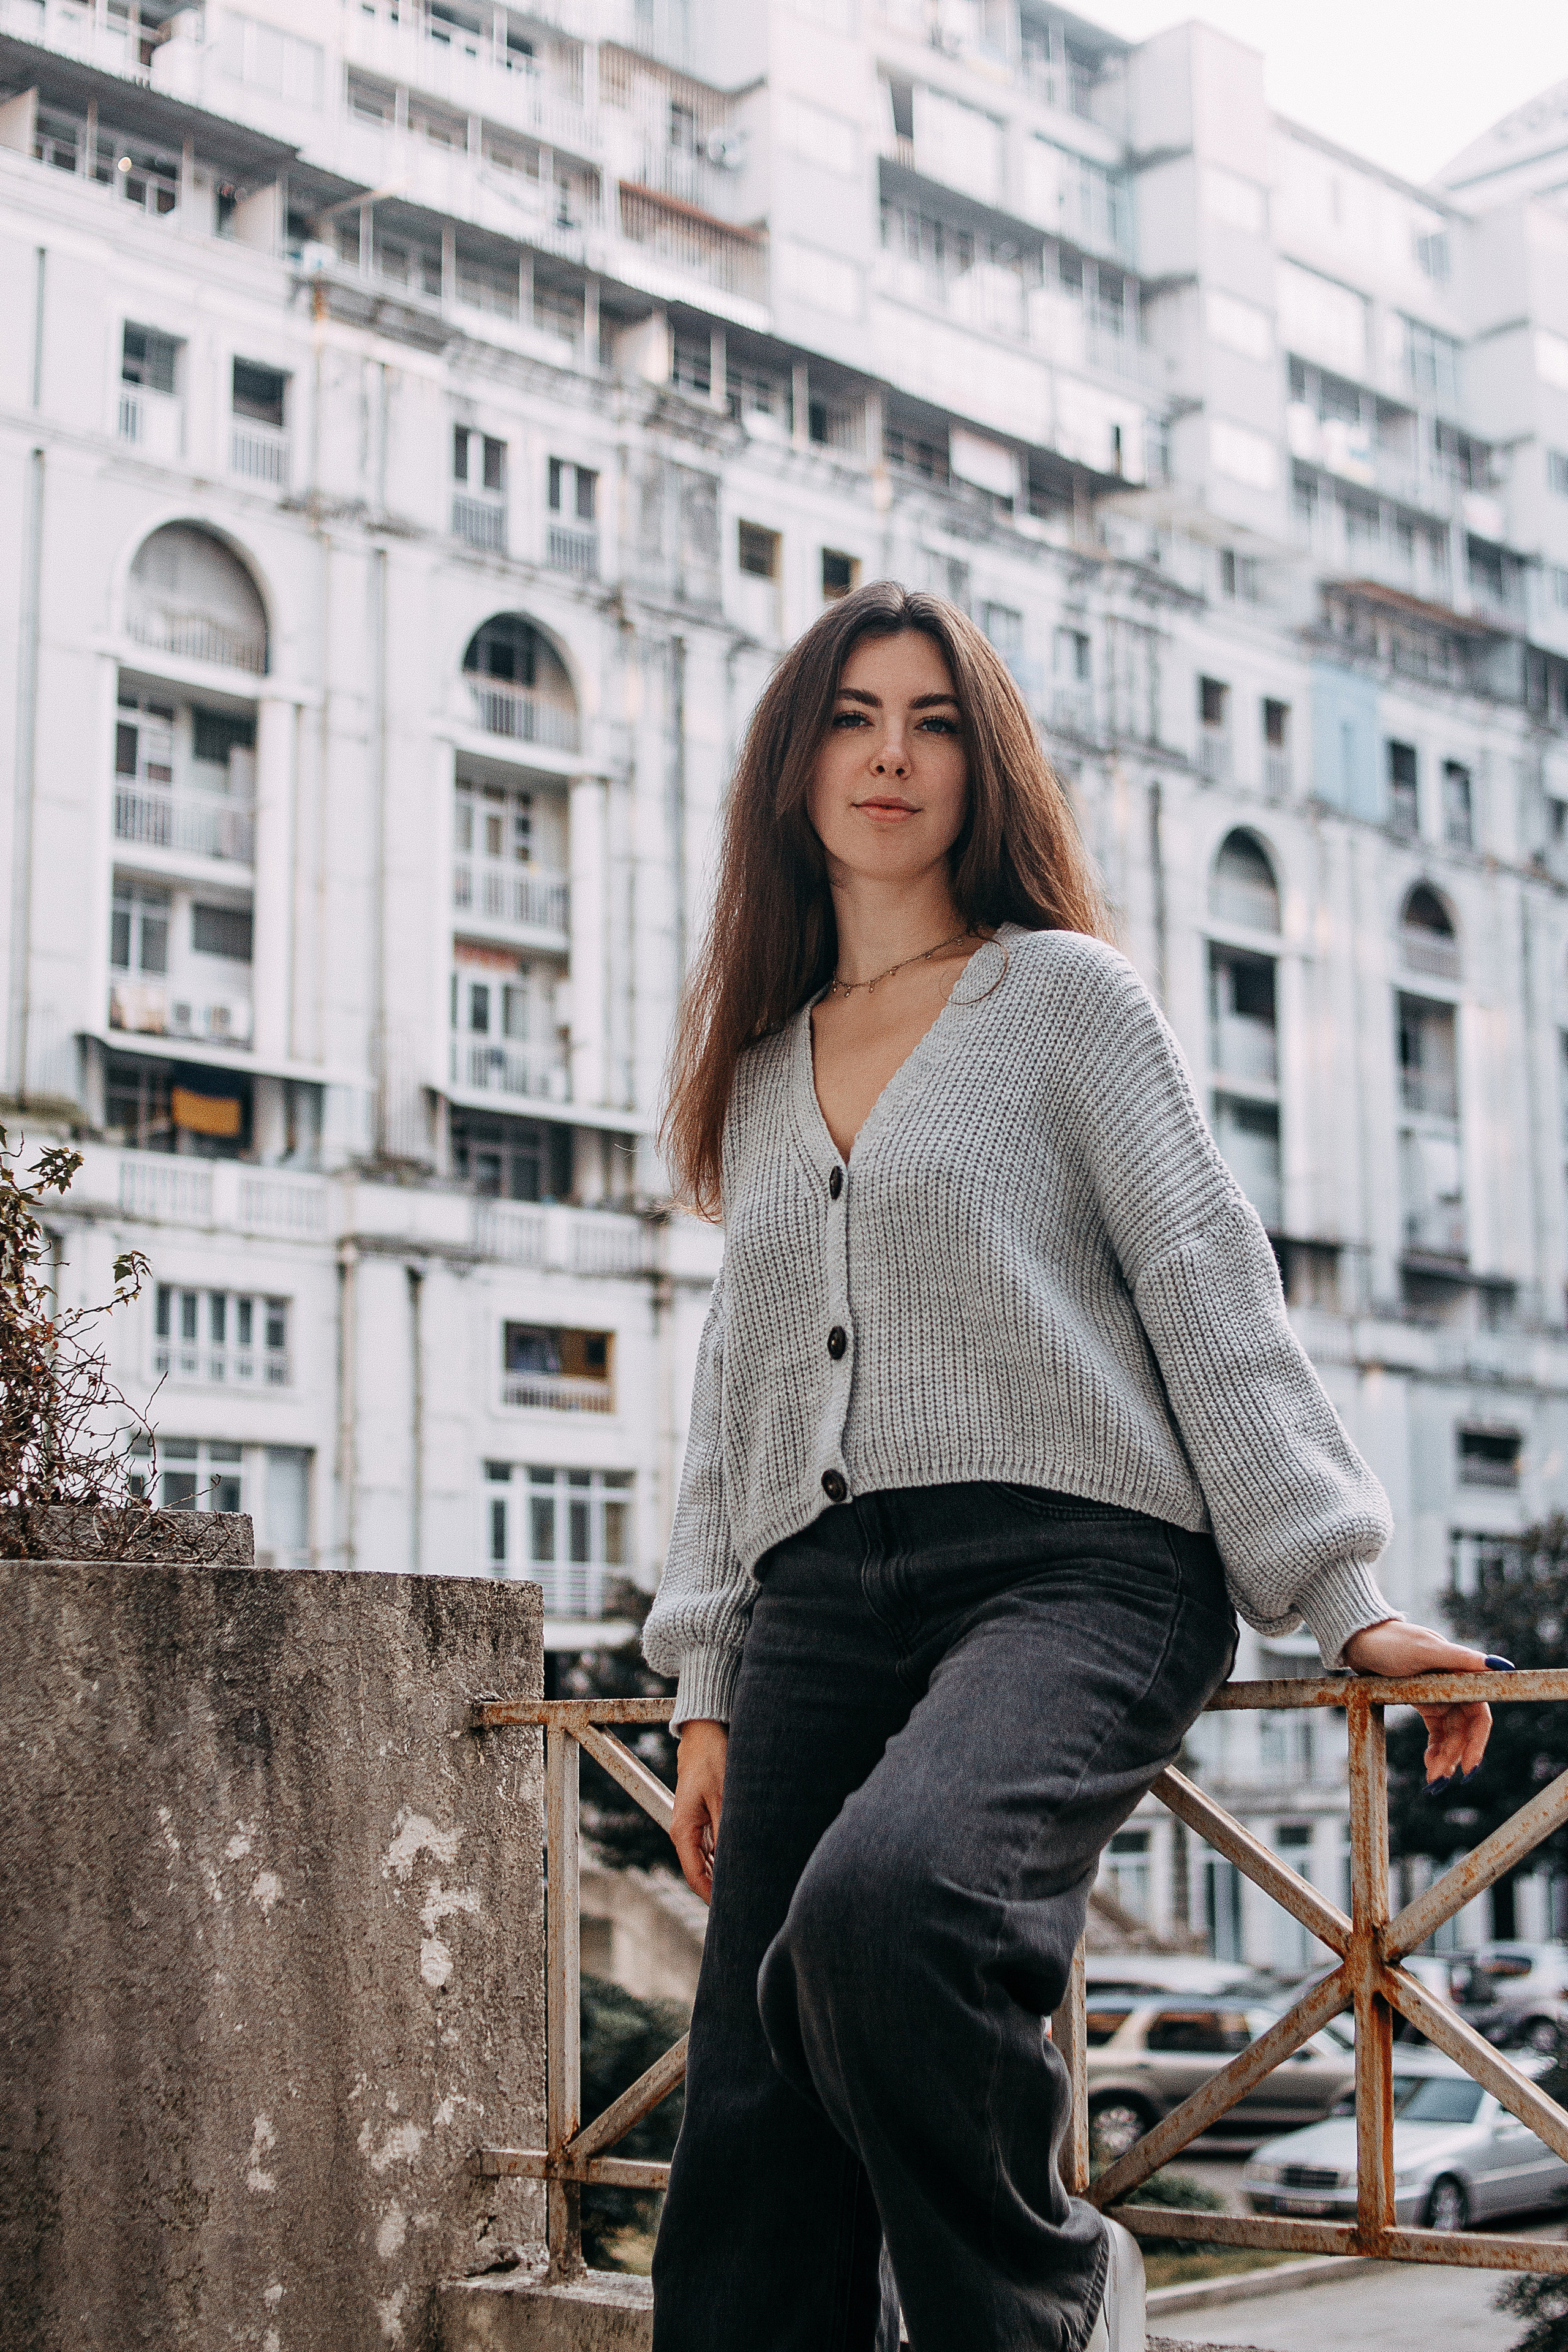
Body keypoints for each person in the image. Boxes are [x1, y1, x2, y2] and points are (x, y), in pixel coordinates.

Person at [643, 582, 1501, 2352]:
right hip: (816, 1594)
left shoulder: (1068, 1001)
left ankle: (1050, 2305)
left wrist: (1346, 1601)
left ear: (984, 766)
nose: (894, 755)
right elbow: (739, 1387)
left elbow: (1207, 1278)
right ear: (793, 765)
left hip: (1080, 1570)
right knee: (747, 2135)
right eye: (857, 716)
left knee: (891, 1915)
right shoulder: (758, 1063)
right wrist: (707, 1680)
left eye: (936, 721)